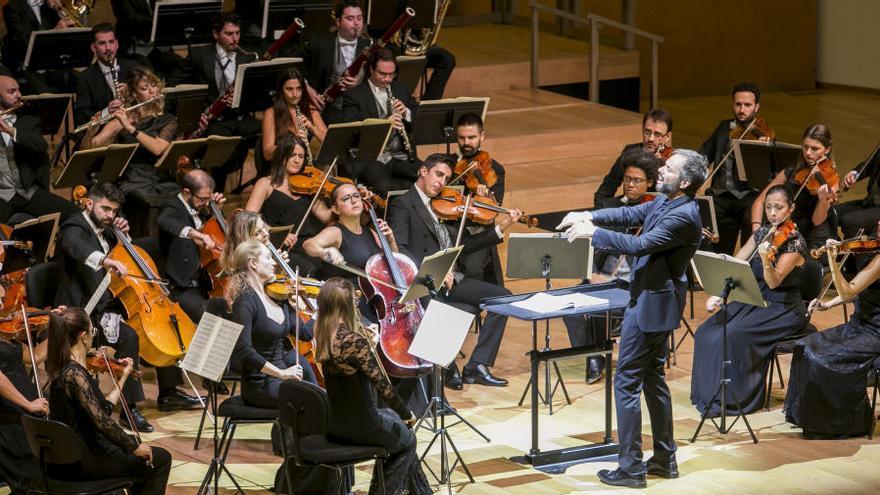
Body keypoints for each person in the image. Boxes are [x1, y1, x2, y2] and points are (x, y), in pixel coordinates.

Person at [558, 149, 707, 488]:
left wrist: (592, 233)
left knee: (626, 380)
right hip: (652, 301)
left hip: (651, 306)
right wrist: (589, 215)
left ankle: (630, 467)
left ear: (684, 182)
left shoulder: (684, 215)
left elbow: (642, 245)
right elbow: (630, 214)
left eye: (668, 168)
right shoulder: (665, 202)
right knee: (653, 378)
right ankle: (665, 459)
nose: (660, 169)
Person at [59, 183, 202, 423]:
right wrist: (105, 260)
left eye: (114, 211)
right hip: (84, 308)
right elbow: (76, 247)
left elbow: (125, 256)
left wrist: (123, 237)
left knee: (165, 324)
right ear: (90, 203)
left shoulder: (108, 229)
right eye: (105, 209)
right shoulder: (74, 226)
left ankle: (169, 393)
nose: (110, 215)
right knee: (129, 336)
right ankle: (128, 409)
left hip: (111, 300)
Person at [388, 153, 522, 389]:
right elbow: (402, 249)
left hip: (453, 279)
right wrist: (434, 271)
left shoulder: (445, 204)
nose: (441, 182)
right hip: (424, 281)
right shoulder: (403, 203)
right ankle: (448, 366)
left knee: (504, 299)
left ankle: (477, 365)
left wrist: (501, 228)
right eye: (438, 174)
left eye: (447, 178)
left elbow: (462, 247)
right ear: (423, 171)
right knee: (435, 308)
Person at [692, 184, 808, 417]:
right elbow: (736, 263)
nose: (773, 213)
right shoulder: (762, 233)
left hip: (781, 308)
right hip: (753, 299)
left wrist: (766, 260)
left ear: (791, 208)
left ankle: (733, 400)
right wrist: (719, 294)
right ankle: (707, 395)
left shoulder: (795, 243)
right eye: (768, 208)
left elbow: (774, 281)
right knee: (706, 331)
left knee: (732, 335)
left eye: (779, 208)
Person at [314, 277, 431, 495]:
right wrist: (407, 414)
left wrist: (371, 345)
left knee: (396, 425)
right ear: (346, 304)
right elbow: (383, 386)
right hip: (364, 426)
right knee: (409, 439)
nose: (357, 304)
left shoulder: (322, 337)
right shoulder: (354, 341)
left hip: (337, 425)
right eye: (354, 300)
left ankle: (421, 493)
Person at [46, 307, 172, 495]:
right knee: (160, 458)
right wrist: (133, 447)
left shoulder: (62, 368)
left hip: (70, 457)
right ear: (83, 336)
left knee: (139, 453)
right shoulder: (75, 375)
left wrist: (123, 376)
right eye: (92, 331)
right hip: (87, 460)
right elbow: (102, 422)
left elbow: (101, 409)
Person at [564, 148, 661, 384]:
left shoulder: (657, 212)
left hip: (633, 285)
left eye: (637, 181)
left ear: (649, 182)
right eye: (627, 179)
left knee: (598, 308)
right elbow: (592, 247)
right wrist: (593, 274)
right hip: (601, 277)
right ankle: (590, 352)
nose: (630, 185)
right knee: (567, 305)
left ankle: (595, 358)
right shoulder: (612, 207)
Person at [785, 229, 880, 438]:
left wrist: (833, 261)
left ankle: (844, 423)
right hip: (858, 325)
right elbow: (857, 292)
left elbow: (848, 291)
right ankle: (807, 416)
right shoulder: (874, 252)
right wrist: (828, 304)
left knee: (824, 357)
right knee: (804, 346)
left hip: (875, 332)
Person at [82, 66, 179, 236]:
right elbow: (91, 148)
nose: (152, 91)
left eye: (153, 86)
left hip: (158, 174)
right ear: (134, 94)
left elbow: (158, 148)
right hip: (131, 176)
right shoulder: (124, 117)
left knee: (176, 196)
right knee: (145, 200)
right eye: (144, 88)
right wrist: (90, 132)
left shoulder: (168, 120)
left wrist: (130, 128)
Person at [167, 12, 260, 189]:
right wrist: (194, 113)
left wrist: (242, 96)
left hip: (239, 117)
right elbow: (174, 85)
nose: (235, 39)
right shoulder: (200, 55)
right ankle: (217, 194)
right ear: (216, 34)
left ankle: (265, 185)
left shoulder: (246, 56)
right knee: (225, 150)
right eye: (229, 34)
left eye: (237, 33)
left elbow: (256, 93)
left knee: (270, 138)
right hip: (214, 120)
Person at [227, 239, 318, 410]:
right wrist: (281, 373)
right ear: (253, 263)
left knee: (320, 399)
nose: (274, 262)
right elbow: (243, 351)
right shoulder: (245, 302)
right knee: (313, 402)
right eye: (268, 258)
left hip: (284, 377)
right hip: (260, 385)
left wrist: (320, 312)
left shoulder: (278, 296)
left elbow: (305, 333)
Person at [699, 82, 775, 255]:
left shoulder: (763, 134)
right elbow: (704, 154)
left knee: (750, 246)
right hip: (721, 196)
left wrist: (763, 149)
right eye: (738, 104)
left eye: (747, 105)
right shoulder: (723, 127)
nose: (742, 110)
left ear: (757, 107)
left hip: (749, 197)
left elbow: (770, 173)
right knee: (715, 247)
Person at [303, 182, 395, 322]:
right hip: (347, 305)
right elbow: (309, 244)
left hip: (373, 301)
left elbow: (394, 264)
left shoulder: (370, 232)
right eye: (346, 198)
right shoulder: (336, 232)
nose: (353, 200)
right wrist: (325, 252)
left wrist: (391, 239)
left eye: (356, 196)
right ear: (335, 209)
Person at [245, 134, 331, 276]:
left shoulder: (308, 186)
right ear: (282, 156)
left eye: (301, 156)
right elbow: (249, 218)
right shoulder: (266, 183)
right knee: (313, 273)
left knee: (331, 271)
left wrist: (346, 199)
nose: (297, 160)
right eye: (293, 155)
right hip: (280, 247)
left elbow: (325, 216)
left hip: (308, 245)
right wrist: (277, 233)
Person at [341, 48, 420, 197]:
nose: (388, 79)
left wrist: (406, 113)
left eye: (392, 74)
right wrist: (384, 124)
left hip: (401, 155)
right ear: (371, 69)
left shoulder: (401, 89)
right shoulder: (354, 95)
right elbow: (352, 132)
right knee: (385, 187)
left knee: (426, 177)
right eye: (383, 74)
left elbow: (419, 116)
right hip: (371, 158)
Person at [0, 75, 78, 224]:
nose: (19, 95)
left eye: (18, 90)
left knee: (74, 213)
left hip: (27, 192)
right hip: (2, 195)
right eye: (11, 91)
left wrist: (10, 131)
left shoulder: (29, 121)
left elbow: (41, 145)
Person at [751, 124, 837, 251]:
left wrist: (823, 200)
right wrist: (756, 230)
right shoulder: (791, 171)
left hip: (812, 240)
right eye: (805, 147)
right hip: (785, 232)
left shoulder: (830, 180)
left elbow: (817, 221)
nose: (808, 153)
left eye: (815, 149)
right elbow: (759, 202)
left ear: (827, 149)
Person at [157, 168, 225, 322]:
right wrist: (195, 233)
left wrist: (217, 213)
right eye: (202, 199)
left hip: (206, 281)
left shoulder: (202, 208)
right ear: (187, 193)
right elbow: (164, 221)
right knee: (209, 318)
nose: (207, 203)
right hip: (182, 285)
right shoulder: (172, 207)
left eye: (209, 199)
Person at [454, 112, 507, 285]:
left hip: (476, 231)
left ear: (482, 136)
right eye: (462, 138)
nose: (466, 143)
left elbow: (492, 211)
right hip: (450, 227)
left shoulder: (495, 169)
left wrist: (481, 198)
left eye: (472, 137)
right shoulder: (448, 165)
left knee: (472, 269)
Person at [300, 0, 372, 124]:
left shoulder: (370, 45)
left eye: (359, 18)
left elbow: (381, 77)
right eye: (350, 18)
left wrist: (361, 81)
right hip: (325, 109)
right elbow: (296, 69)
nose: (356, 23)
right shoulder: (318, 42)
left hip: (359, 110)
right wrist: (307, 89)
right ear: (338, 22)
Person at [594, 108, 671, 209]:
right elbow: (609, 184)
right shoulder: (630, 151)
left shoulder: (672, 161)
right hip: (628, 209)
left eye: (657, 134)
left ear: (667, 137)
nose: (651, 139)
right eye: (647, 132)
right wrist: (601, 210)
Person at [0, 337, 47, 493]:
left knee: (36, 473)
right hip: (8, 412)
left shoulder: (8, 335)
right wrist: (27, 404)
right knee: (24, 476)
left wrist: (56, 327)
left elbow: (33, 357)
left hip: (26, 409)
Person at [1, 0, 75, 93]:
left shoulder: (49, 6)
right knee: (47, 95)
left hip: (54, 65)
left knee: (80, 84)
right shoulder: (12, 8)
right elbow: (23, 42)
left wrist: (60, 9)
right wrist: (54, 31)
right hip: (29, 67)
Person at [74, 24, 139, 126]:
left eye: (111, 42)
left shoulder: (133, 67)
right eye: (102, 43)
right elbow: (83, 115)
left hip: (135, 123)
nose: (108, 48)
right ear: (93, 48)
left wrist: (131, 91)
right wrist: (106, 111)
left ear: (117, 44)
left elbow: (148, 97)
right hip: (103, 128)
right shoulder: (84, 78)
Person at [262, 69, 327, 164]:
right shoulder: (271, 113)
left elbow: (329, 143)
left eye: (299, 89)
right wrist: (291, 144)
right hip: (281, 168)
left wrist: (313, 128)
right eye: (289, 89)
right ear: (281, 90)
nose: (295, 94)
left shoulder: (310, 110)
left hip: (304, 166)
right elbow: (267, 153)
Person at [834, 145, 880, 259]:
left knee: (850, 221)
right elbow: (869, 165)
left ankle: (857, 267)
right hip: (870, 202)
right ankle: (837, 254)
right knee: (832, 212)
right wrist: (855, 173)